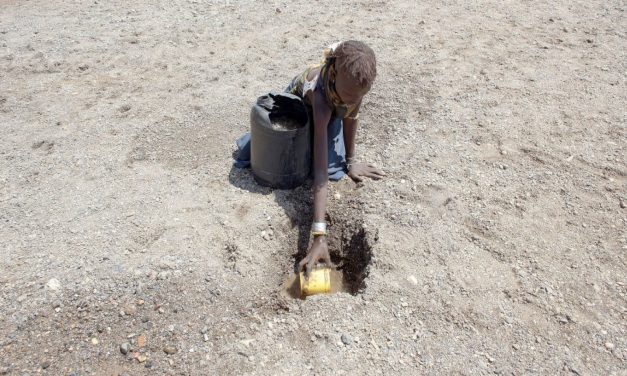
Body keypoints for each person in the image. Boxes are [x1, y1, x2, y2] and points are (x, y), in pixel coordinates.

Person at [235, 40, 385, 275]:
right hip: (302, 110)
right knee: (289, 163)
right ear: (334, 74)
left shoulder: (353, 88)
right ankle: (257, 139)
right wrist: (318, 235)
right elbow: (321, 176)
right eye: (347, 95)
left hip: (328, 114)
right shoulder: (321, 97)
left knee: (337, 169)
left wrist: (352, 163)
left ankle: (318, 141)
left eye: (356, 97)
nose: (351, 100)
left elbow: (350, 116)